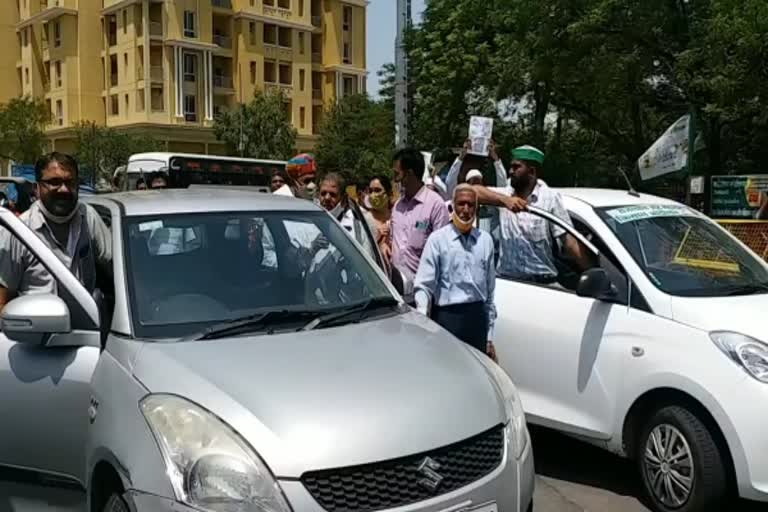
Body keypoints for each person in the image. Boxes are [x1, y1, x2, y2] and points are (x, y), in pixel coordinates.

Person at [0, 152, 112, 310]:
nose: (64, 189)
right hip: (37, 331)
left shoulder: (89, 217)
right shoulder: (20, 231)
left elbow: (114, 269)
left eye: (70, 182)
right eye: (54, 182)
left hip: (86, 331)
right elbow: (3, 298)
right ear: (37, 188)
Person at [472, 145, 591, 284]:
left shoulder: (550, 198)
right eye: (511, 167)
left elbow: (569, 242)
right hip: (508, 282)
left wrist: (593, 272)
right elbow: (470, 191)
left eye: (516, 167)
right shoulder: (504, 195)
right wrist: (505, 201)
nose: (511, 171)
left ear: (532, 172)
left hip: (544, 285)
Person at [414, 184, 497, 360]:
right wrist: (423, 322)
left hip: (476, 321)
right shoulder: (437, 240)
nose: (465, 210)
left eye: (470, 205)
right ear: (452, 206)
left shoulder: (485, 241)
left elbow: (490, 293)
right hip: (447, 320)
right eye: (461, 204)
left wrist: (489, 336)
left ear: (476, 208)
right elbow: (423, 286)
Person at [391, 148, 451, 289]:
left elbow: (443, 252)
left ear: (409, 174)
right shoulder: (397, 206)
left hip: (424, 291)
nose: (395, 179)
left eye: (397, 174)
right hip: (397, 289)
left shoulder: (435, 205)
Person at [318, 173, 376, 259]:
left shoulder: (357, 225)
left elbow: (366, 260)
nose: (327, 198)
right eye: (323, 193)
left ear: (343, 199)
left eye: (332, 194)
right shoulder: (310, 221)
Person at [367, 175, 393, 263]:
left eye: (377, 190)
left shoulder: (396, 217)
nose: (373, 195)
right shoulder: (364, 219)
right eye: (370, 191)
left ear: (389, 193)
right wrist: (377, 237)